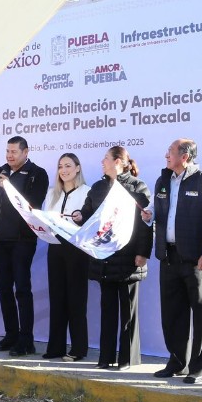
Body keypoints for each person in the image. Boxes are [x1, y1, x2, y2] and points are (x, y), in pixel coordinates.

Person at [141, 138, 202, 384]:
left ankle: (199, 367)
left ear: (184, 156)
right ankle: (177, 361)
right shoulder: (162, 180)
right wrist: (147, 216)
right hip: (168, 257)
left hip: (195, 259)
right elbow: (154, 212)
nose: (166, 156)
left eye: (170, 152)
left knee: (201, 314)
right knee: (172, 314)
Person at [73, 147, 152, 370]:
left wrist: (142, 253)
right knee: (107, 310)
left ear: (118, 162)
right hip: (104, 258)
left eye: (106, 159)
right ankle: (105, 357)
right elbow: (88, 215)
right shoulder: (98, 187)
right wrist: (80, 216)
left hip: (128, 258)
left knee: (128, 311)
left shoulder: (137, 187)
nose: (102, 162)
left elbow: (146, 223)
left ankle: (127, 359)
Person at [0, 136, 49, 356]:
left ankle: (26, 340)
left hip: (22, 241)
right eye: (7, 151)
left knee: (22, 290)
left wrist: (8, 186)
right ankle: (11, 335)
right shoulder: (1, 170)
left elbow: (32, 205)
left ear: (26, 152)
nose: (9, 156)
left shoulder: (38, 173)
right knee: (3, 288)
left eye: (14, 152)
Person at [41, 153, 91, 361]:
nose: (64, 170)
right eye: (60, 166)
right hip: (55, 248)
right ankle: (56, 347)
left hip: (77, 251)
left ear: (78, 168)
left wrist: (81, 219)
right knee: (57, 297)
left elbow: (91, 222)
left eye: (68, 165)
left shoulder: (87, 192)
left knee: (76, 300)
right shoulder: (52, 193)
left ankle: (78, 349)